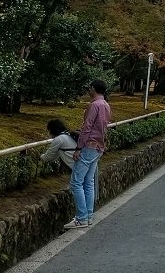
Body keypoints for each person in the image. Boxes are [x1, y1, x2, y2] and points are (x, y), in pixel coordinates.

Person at [64, 79, 111, 229]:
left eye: (89, 88)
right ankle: (89, 215)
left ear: (93, 89)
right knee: (89, 181)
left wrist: (78, 148)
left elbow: (87, 127)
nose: (88, 90)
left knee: (76, 182)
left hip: (89, 146)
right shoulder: (106, 105)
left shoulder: (94, 105)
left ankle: (81, 217)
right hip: (99, 147)